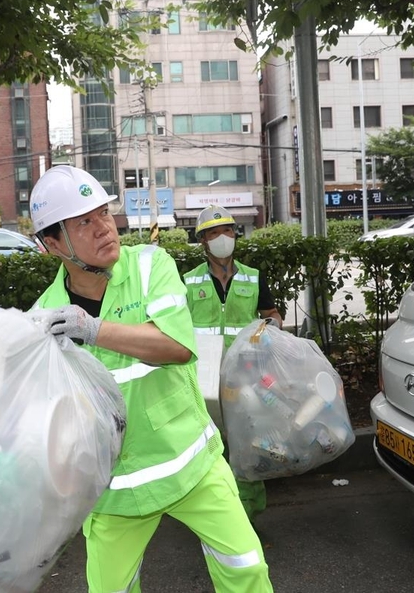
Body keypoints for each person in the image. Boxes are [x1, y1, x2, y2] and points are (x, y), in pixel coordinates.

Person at [30, 166, 273, 593]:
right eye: (84, 221)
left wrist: (93, 329)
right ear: (52, 244)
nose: (105, 228)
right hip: (114, 491)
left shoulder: (149, 265)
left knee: (245, 568)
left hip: (190, 466)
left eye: (104, 213)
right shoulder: (45, 313)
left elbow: (176, 345)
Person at [184, 205, 284, 521]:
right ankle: (215, 512)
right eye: (214, 233)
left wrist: (268, 331)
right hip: (204, 378)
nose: (223, 238)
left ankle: (247, 512)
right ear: (203, 241)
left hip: (246, 376)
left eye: (228, 231)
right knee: (208, 447)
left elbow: (273, 317)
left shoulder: (254, 278)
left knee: (246, 445)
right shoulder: (187, 281)